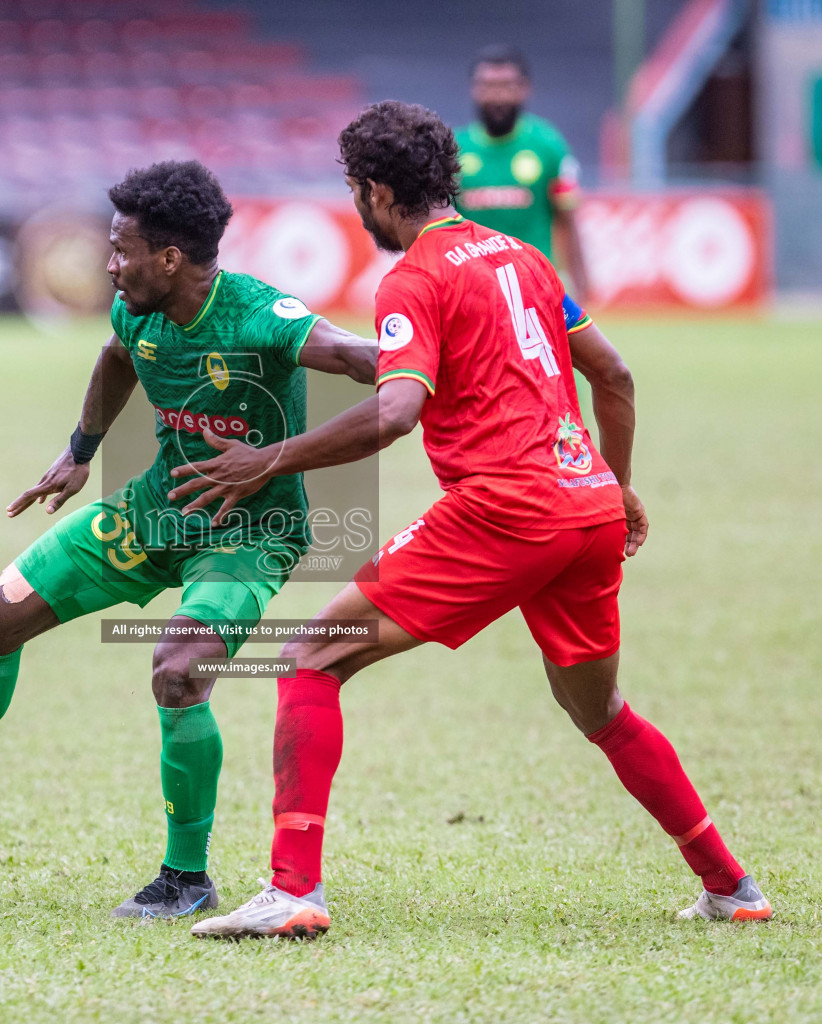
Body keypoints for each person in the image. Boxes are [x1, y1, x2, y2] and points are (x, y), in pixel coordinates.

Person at [163, 102, 770, 938]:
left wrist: (268, 458)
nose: (354, 205)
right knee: (602, 712)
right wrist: (615, 486)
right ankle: (730, 887)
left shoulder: (413, 278)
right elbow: (616, 376)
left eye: (354, 189)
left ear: (376, 191)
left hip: (505, 511)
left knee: (308, 658)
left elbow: (393, 413)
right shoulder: (522, 255)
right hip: (585, 508)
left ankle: (293, 891)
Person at [0, 160, 376, 920]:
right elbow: (117, 358)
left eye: (121, 250)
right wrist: (81, 450)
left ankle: (186, 877)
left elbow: (372, 364)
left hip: (251, 534)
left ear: (170, 259)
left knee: (178, 670)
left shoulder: (258, 314)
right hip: (154, 512)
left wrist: (276, 459)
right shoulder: (138, 312)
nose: (109, 265)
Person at [456, 45, 591, 304]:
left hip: (535, 289)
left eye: (506, 85)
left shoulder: (549, 146)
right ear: (474, 89)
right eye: (487, 85)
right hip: (471, 292)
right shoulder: (453, 150)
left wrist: (582, 290)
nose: (497, 96)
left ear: (524, 88)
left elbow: (568, 221)